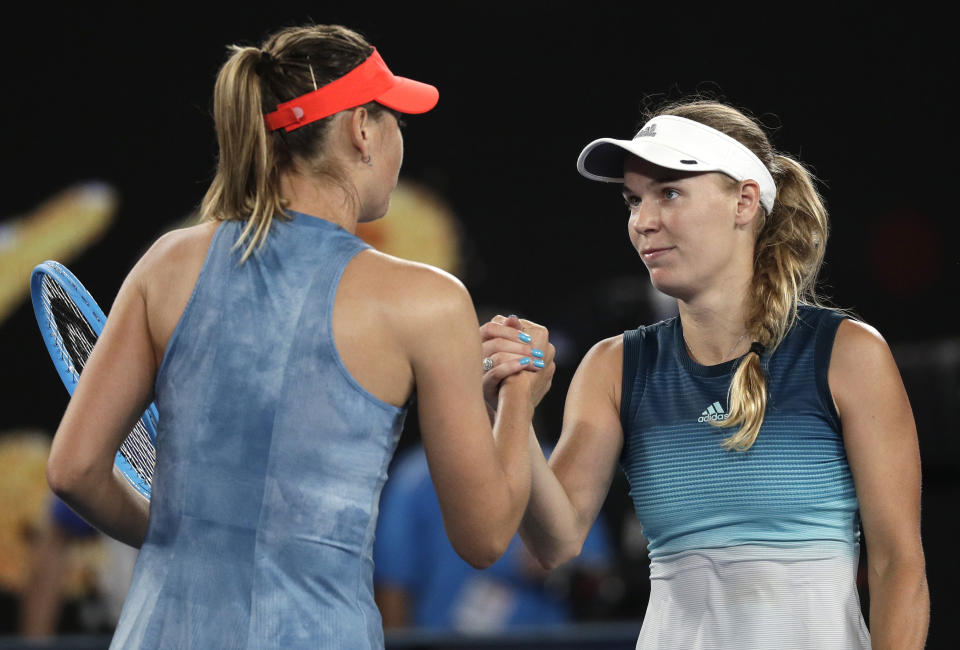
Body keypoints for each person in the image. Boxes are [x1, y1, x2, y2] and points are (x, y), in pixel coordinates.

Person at [45, 24, 554, 649]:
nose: (401, 138)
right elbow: (485, 537)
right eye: (394, 117)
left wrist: (175, 537)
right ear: (360, 129)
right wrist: (519, 399)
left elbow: (73, 471)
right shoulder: (426, 300)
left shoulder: (168, 262)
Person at [480, 100, 928, 648]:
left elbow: (897, 567)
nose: (643, 221)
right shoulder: (613, 367)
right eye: (633, 200)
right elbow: (554, 543)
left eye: (669, 193)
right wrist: (515, 409)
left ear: (743, 201)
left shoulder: (848, 354)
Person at [374, 443, 613, 631]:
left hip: (545, 640)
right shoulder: (416, 476)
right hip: (446, 640)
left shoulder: (559, 468)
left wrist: (561, 563)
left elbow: (601, 581)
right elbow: (392, 586)